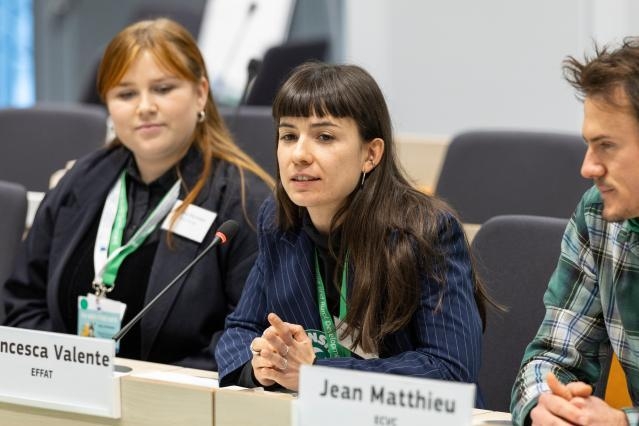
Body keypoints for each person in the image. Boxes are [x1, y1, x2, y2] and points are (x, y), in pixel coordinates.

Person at [1, 18, 273, 371]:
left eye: (162, 89)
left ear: (201, 93)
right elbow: (22, 300)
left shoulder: (244, 202)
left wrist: (139, 387)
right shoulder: (80, 179)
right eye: (126, 94)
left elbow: (248, 339)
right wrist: (66, 369)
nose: (144, 106)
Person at [215, 62, 489, 396]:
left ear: (370, 154)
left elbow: (450, 370)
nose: (299, 154)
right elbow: (240, 330)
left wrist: (318, 373)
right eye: (288, 136)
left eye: (324, 137)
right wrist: (261, 363)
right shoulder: (279, 222)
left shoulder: (427, 232)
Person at [511, 38, 639, 426]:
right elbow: (551, 354)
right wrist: (548, 404)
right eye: (588, 145)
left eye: (606, 146)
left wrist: (621, 423)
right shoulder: (599, 215)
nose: (588, 167)